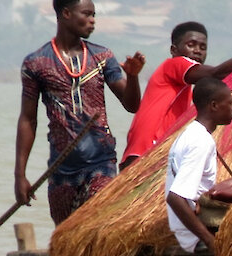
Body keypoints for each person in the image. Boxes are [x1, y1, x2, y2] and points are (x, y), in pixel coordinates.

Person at [14, 0, 144, 224]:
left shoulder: (102, 57)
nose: (93, 20)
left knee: (98, 228)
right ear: (66, 13)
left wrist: (132, 77)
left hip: (101, 163)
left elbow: (131, 105)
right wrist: (20, 175)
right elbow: (28, 119)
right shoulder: (36, 63)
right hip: (61, 170)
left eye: (94, 15)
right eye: (87, 14)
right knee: (66, 239)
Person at [119, 21, 232, 170]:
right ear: (174, 50)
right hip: (144, 154)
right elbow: (217, 73)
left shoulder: (185, 89)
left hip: (145, 156)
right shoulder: (174, 64)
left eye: (203, 47)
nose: (197, 50)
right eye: (191, 45)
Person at [166, 78, 232, 254]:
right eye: (230, 103)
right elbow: (175, 198)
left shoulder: (190, 134)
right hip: (196, 238)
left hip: (187, 233)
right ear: (214, 105)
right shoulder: (201, 142)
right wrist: (208, 239)